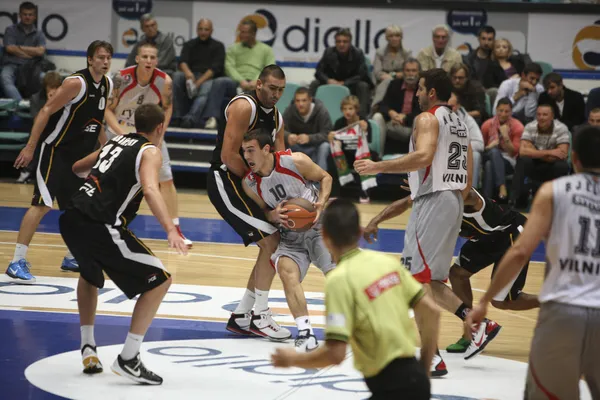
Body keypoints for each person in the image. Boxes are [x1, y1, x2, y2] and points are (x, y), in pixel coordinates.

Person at [355, 68, 500, 374]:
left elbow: (423, 157)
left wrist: (377, 166)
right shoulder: (460, 123)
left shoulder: (427, 118)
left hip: (434, 202)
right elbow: (466, 181)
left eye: (420, 89)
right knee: (432, 281)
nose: (417, 94)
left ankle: (431, 355)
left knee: (415, 280)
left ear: (431, 92)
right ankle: (477, 324)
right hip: (454, 202)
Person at [467, 125, 600, 399]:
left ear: (574, 158)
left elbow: (519, 253)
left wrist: (484, 301)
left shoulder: (555, 191)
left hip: (563, 312)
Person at [60, 103, 188, 384]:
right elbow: (152, 189)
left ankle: (88, 347)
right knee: (160, 280)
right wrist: (171, 229)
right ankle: (129, 358)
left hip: (71, 217)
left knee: (89, 274)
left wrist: (100, 183)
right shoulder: (150, 150)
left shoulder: (118, 140)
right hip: (100, 224)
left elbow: (78, 167)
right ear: (160, 128)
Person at [271, 199, 439, 400]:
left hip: (393, 387)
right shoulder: (386, 263)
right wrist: (424, 370)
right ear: (359, 232)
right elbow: (432, 312)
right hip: (416, 380)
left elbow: (335, 354)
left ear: (324, 237)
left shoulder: (339, 280)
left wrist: (294, 360)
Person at [363, 186, 538, 353]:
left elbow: (468, 195)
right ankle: (472, 332)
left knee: (502, 301)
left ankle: (552, 300)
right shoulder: (435, 194)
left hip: (512, 233)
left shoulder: (464, 196)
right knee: (457, 274)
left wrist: (434, 192)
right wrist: (375, 220)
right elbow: (404, 202)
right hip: (485, 239)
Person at [6, 40, 114, 282]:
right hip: (55, 151)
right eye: (100, 57)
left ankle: (72, 256)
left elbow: (96, 122)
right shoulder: (76, 83)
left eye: (108, 57)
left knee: (80, 207)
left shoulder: (107, 84)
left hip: (79, 158)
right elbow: (45, 111)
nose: (105, 62)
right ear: (89, 59)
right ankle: (16, 261)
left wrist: (107, 148)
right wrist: (31, 147)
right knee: (42, 204)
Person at [207, 64, 291, 341]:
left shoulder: (277, 117)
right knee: (271, 240)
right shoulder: (245, 107)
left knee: (275, 238)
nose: (276, 94)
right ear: (258, 84)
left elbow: (280, 161)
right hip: (226, 178)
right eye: (272, 88)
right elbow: (229, 154)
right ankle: (260, 316)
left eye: (281, 89)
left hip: (250, 182)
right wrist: (258, 184)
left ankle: (243, 316)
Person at [241, 129, 334, 351]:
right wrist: (272, 215)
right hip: (290, 237)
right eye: (244, 151)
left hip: (317, 228)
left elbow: (325, 177)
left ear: (266, 149)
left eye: (251, 150)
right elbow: (264, 211)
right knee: (285, 269)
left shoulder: (295, 161)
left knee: (336, 275)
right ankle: (305, 332)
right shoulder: (250, 184)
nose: (246, 156)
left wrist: (321, 202)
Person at [104, 41, 192, 247]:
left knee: (167, 180)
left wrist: (160, 134)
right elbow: (107, 110)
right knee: (111, 181)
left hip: (150, 133)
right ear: (137, 58)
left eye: (152, 57)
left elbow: (168, 108)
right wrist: (120, 134)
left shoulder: (165, 81)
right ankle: (105, 225)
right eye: (145, 57)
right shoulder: (120, 78)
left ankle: (176, 231)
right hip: (120, 131)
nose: (149, 61)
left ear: (157, 61)